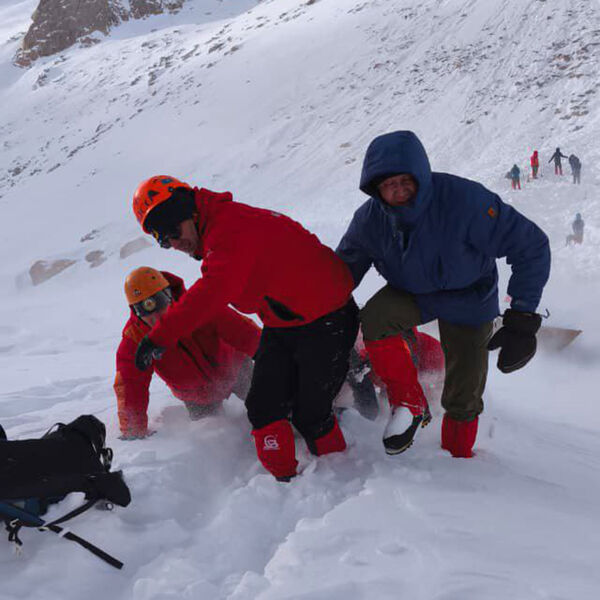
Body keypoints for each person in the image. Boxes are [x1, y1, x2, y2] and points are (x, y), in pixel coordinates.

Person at [336, 131, 550, 458]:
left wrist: (522, 316)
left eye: (405, 181)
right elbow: (341, 272)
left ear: (420, 176)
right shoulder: (370, 221)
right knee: (376, 317)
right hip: (412, 292)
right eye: (389, 184)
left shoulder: (465, 202)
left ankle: (456, 458)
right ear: (375, 189)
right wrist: (308, 308)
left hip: (470, 296)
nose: (398, 189)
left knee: (465, 394)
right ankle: (409, 403)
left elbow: (530, 245)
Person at [130, 177, 358, 481]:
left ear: (187, 211)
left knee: (311, 413)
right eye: (162, 240)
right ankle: (283, 482)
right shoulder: (216, 234)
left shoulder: (230, 229)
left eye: (172, 230)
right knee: (263, 407)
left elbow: (213, 291)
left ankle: (342, 478)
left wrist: (160, 336)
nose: (172, 243)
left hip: (327, 319)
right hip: (284, 324)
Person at [114, 267, 261, 439]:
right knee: (214, 438)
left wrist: (273, 356)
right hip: (196, 396)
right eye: (143, 310)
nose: (156, 317)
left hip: (237, 371)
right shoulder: (135, 337)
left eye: (159, 303)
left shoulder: (197, 305)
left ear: (168, 294)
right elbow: (131, 384)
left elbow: (243, 331)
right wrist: (133, 430)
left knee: (270, 404)